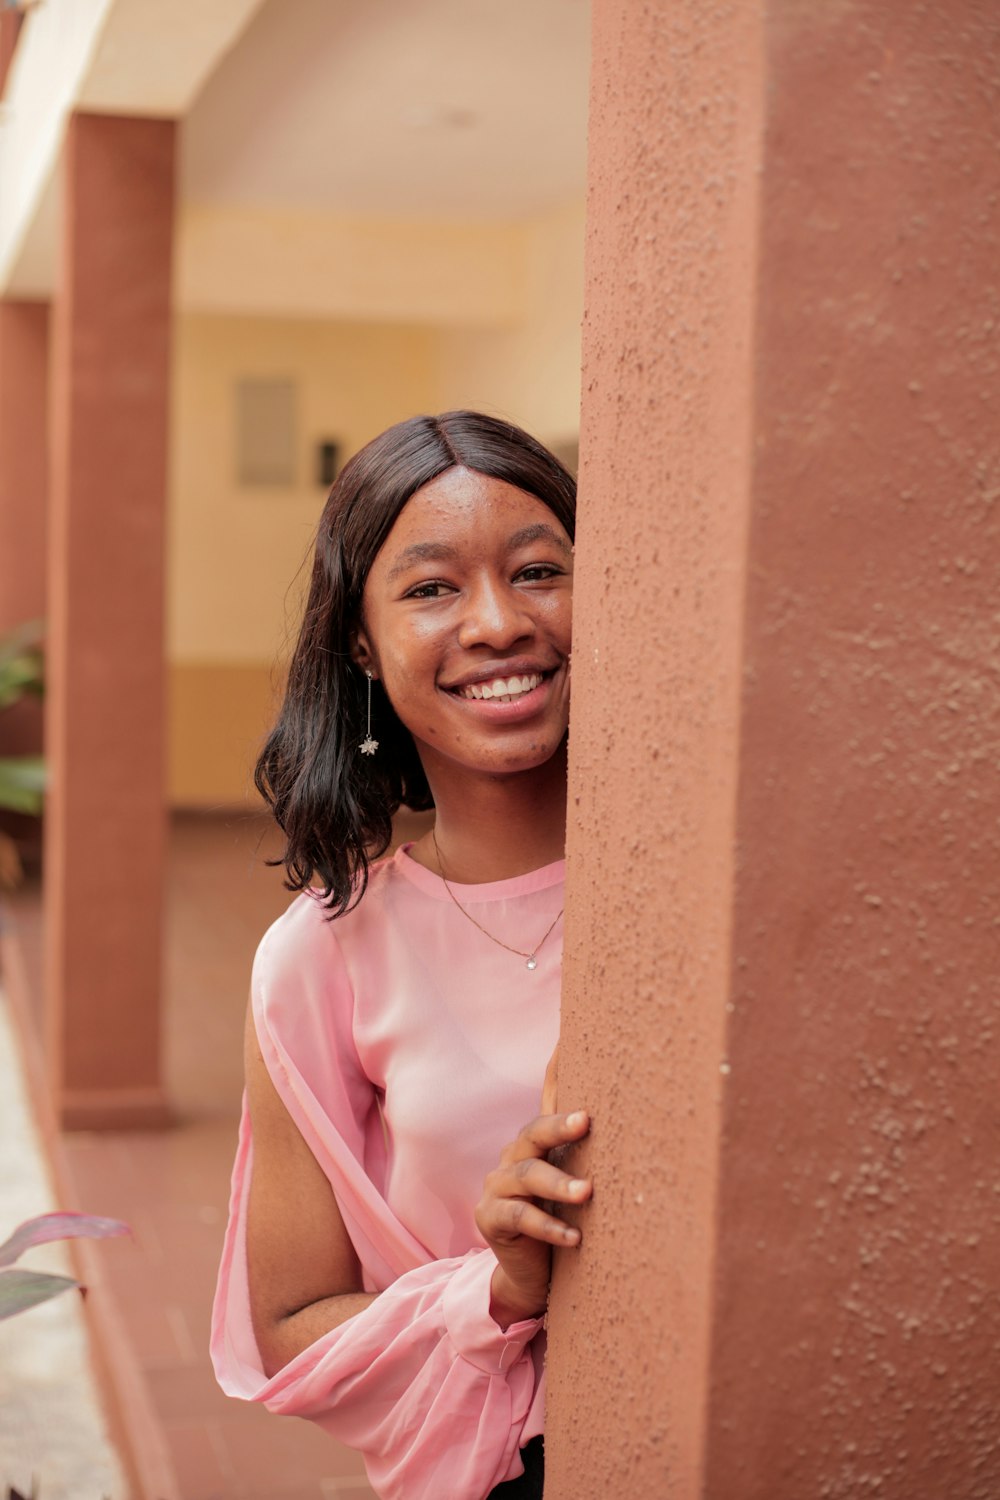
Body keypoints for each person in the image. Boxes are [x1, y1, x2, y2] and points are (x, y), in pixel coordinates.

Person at [211, 410, 592, 1500]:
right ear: (363, 646)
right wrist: (499, 1286)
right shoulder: (323, 958)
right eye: (431, 588)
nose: (496, 622)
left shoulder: (708, 884)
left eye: (537, 571)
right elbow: (290, 1326)